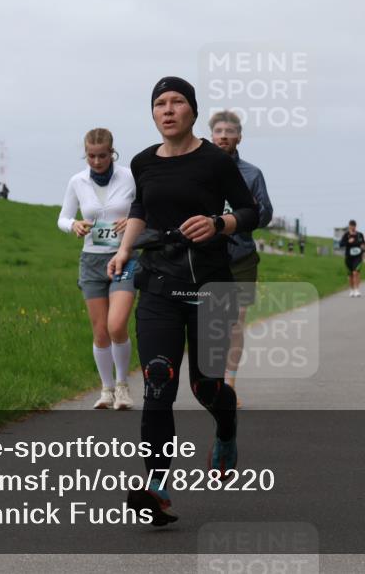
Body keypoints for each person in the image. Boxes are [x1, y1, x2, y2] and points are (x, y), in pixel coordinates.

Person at [108, 76, 257, 525]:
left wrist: (219, 223)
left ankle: (226, 431)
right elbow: (140, 210)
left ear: (192, 110)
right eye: (159, 103)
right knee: (158, 380)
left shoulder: (215, 161)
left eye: (177, 102)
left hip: (210, 285)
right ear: (152, 114)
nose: (168, 109)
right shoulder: (141, 162)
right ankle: (156, 484)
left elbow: (250, 210)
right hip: (158, 283)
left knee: (205, 386)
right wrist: (124, 250)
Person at [58, 129, 137, 410]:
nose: (97, 161)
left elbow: (146, 209)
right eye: (91, 156)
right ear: (85, 154)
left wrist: (132, 221)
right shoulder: (77, 182)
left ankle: (123, 386)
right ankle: (106, 390)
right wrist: (74, 225)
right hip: (91, 260)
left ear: (112, 152)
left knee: (117, 325)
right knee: (101, 331)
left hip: (124, 257)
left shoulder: (129, 176)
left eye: (102, 155)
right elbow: (63, 217)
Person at [209, 109, 274, 410]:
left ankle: (228, 384)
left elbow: (266, 214)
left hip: (242, 255)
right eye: (218, 131)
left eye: (229, 132)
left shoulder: (252, 173)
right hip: (207, 255)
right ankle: (209, 381)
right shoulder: (199, 169)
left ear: (239, 137)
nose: (223, 136)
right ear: (211, 135)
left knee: (236, 324)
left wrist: (240, 217)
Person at [339, 220, 365, 297]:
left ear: (355, 226)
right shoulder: (346, 235)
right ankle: (352, 290)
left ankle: (357, 290)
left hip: (358, 257)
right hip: (348, 257)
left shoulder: (360, 235)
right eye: (351, 225)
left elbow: (363, 244)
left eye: (354, 225)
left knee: (356, 273)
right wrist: (348, 242)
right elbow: (341, 244)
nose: (352, 227)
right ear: (349, 226)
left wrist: (363, 252)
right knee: (350, 275)